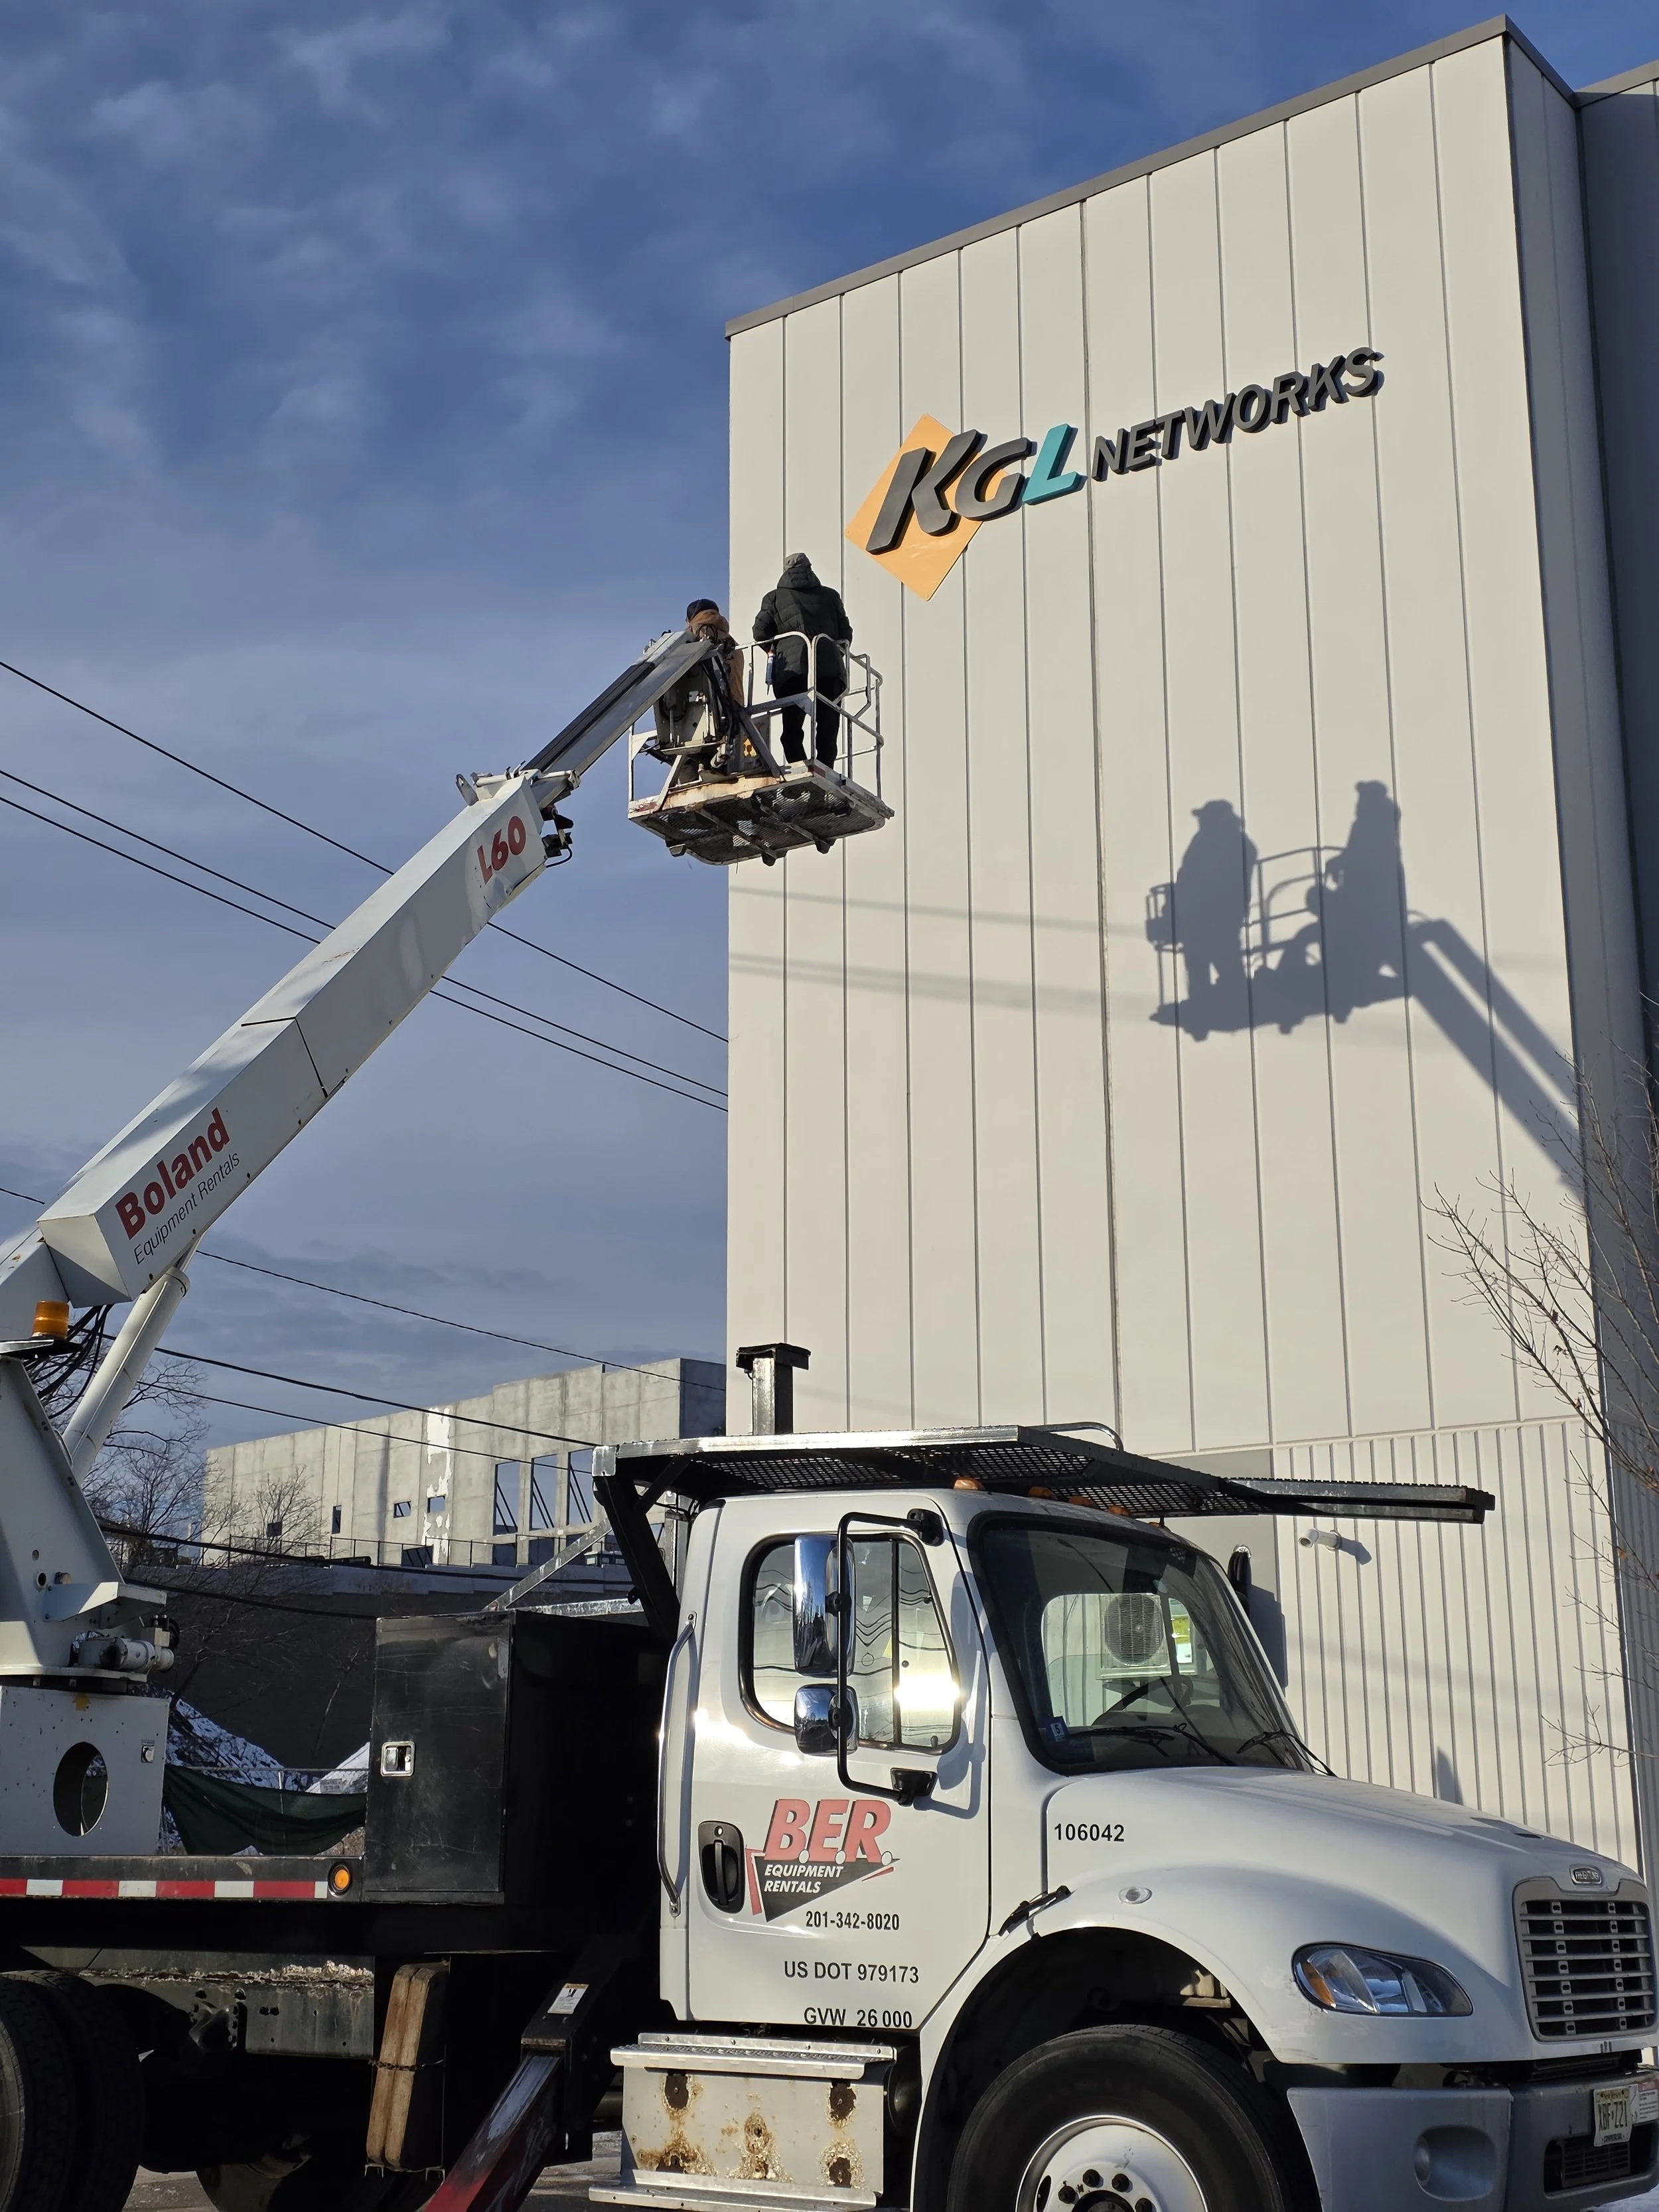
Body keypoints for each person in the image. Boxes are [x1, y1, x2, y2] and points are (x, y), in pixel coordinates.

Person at [752, 554, 853, 769]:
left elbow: (760, 632)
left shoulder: (773, 598)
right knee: (828, 726)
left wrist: (776, 652)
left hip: (792, 670)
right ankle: (825, 770)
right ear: (810, 569)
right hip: (829, 668)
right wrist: (833, 656)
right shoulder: (831, 596)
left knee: (792, 727)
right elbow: (846, 634)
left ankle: (798, 769)